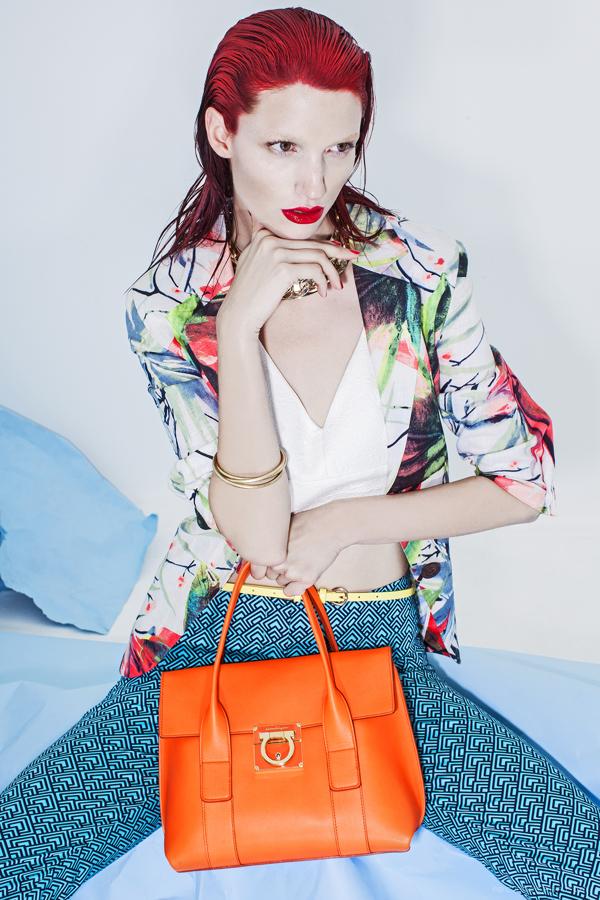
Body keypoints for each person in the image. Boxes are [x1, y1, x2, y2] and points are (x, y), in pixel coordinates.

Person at [1, 7, 598, 899]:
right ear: (223, 133)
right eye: (282, 146)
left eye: (338, 148)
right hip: (217, 633)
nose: (313, 181)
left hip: (377, 643)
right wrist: (239, 329)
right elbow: (254, 534)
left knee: (577, 858)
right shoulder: (169, 305)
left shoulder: (422, 273)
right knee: (20, 854)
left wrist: (347, 521)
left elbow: (524, 484)